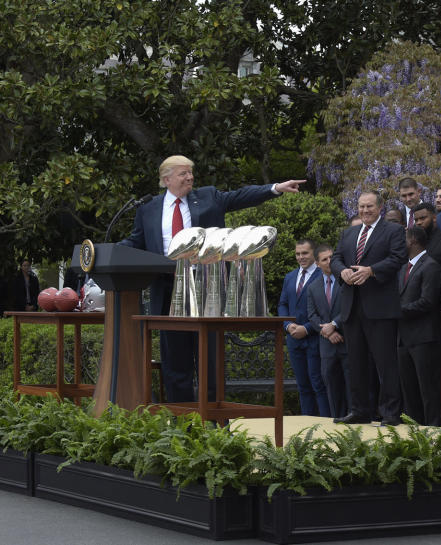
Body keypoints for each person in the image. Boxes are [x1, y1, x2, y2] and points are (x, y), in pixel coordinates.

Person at [119, 155, 305, 402]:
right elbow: (135, 241)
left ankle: (215, 425)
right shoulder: (148, 208)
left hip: (207, 288)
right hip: (168, 290)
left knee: (210, 359)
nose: (190, 177)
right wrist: (106, 251)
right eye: (183, 173)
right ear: (166, 179)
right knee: (175, 362)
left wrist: (275, 189)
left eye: (191, 173)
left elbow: (240, 196)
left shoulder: (207, 196)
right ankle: (182, 423)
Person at [330, 190, 407, 425]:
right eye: (361, 207)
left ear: (380, 208)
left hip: (380, 307)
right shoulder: (350, 232)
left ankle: (391, 413)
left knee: (386, 363)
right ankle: (360, 410)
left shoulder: (393, 231)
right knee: (356, 362)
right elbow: (335, 258)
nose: (365, 211)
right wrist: (341, 271)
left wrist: (371, 271)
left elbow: (398, 258)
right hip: (352, 307)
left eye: (370, 207)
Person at [396, 225, 441, 426]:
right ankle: (413, 428)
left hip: (424, 336)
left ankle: (432, 428)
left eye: (402, 239)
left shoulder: (430, 265)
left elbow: (428, 301)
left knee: (427, 387)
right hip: (403, 337)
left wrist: (397, 312)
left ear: (412, 240)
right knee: (409, 387)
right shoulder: (402, 267)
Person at [278, 239, 329, 417]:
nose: (301, 257)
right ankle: (307, 423)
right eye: (298, 254)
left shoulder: (322, 275)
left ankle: (325, 425)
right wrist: (288, 325)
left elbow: (325, 310)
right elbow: (282, 305)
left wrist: (306, 328)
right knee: (303, 385)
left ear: (314, 254)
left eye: (305, 253)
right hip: (293, 339)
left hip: (315, 337)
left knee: (318, 383)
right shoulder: (290, 277)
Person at [307, 243, 349, 418]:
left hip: (347, 341)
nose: (329, 262)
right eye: (325, 259)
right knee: (331, 387)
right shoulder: (313, 287)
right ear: (317, 263)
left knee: (352, 386)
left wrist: (335, 324)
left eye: (331, 257)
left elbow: (349, 308)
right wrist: (328, 331)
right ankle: (336, 420)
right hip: (327, 346)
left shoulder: (346, 280)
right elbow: (312, 315)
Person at [412, 202, 441, 267]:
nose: (419, 223)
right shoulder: (415, 242)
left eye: (422, 218)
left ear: (434, 218)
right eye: (416, 220)